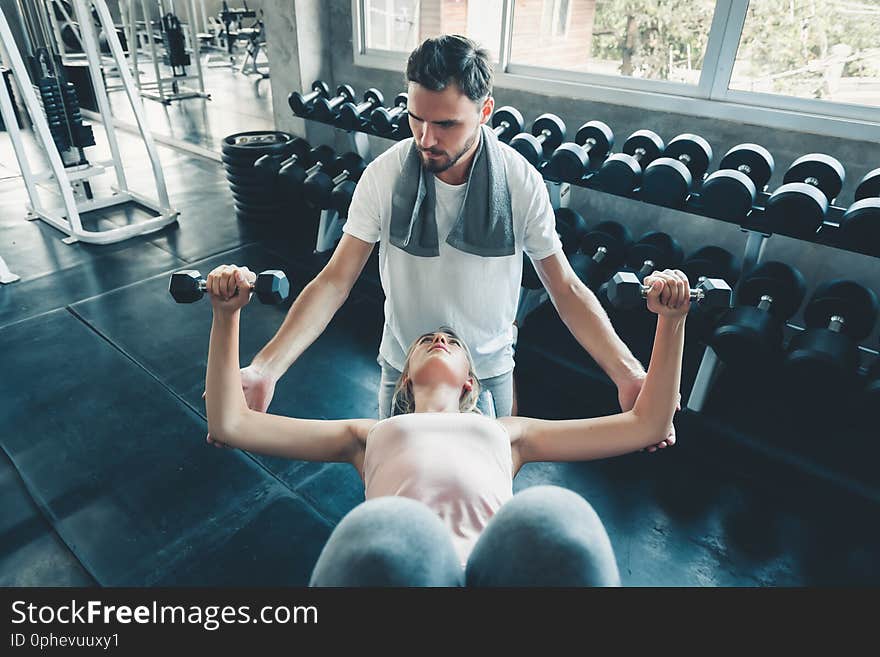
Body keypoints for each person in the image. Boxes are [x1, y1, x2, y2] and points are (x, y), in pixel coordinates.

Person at [215, 34, 675, 450]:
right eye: (416, 119)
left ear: (485, 112)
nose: (425, 138)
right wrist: (265, 368)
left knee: (487, 492)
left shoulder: (520, 183)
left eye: (447, 125)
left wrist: (629, 374)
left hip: (490, 370)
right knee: (395, 488)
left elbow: (566, 289)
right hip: (402, 369)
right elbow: (335, 281)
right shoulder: (385, 174)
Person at [203, 264, 691, 586]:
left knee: (556, 515)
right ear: (405, 379)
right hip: (411, 577)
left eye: (451, 341)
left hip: (496, 578)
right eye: (427, 340)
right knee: (388, 524)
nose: (439, 338)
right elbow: (230, 423)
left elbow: (648, 424)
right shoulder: (368, 435)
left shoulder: (507, 433)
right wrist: (226, 315)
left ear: (470, 385)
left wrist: (672, 320)